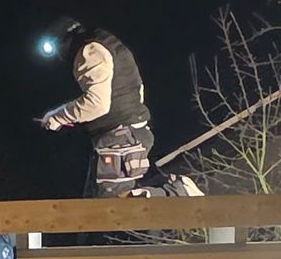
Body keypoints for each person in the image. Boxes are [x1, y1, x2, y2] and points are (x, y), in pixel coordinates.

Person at [35, 16, 201, 198]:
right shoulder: (106, 44)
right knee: (98, 206)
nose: (60, 56)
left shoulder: (89, 50)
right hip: (128, 133)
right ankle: (164, 187)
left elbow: (97, 103)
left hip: (118, 138)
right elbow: (135, 89)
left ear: (63, 41)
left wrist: (58, 116)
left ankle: (176, 194)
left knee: (112, 208)